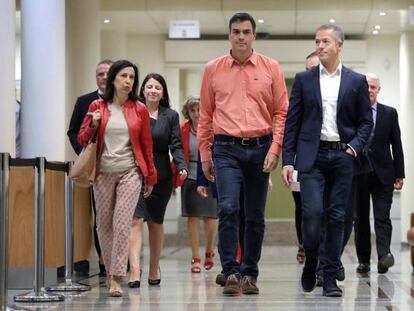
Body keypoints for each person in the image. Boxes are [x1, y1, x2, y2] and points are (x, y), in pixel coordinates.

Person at [198, 12, 288, 296]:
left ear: (254, 36)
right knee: (228, 208)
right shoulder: (212, 69)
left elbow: (281, 112)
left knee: (255, 215)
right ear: (229, 35)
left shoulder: (271, 67)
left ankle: (250, 272)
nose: (240, 37)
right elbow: (205, 115)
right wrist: (205, 156)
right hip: (225, 149)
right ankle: (231, 271)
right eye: (235, 31)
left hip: (261, 147)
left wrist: (275, 148)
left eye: (246, 32)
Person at [282, 24, 373, 297]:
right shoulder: (304, 79)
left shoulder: (356, 81)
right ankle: (312, 257)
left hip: (343, 156)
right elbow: (292, 123)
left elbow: (366, 123)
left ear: (339, 46)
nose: (320, 46)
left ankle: (330, 276)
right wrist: (288, 160)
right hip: (313, 157)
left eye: (325, 42)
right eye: (317, 41)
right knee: (311, 214)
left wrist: (353, 149)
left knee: (336, 218)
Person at [77, 60, 157, 297]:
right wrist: (93, 123)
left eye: (132, 77)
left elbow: (146, 145)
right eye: (123, 76)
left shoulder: (139, 108)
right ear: (112, 79)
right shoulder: (97, 105)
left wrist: (150, 176)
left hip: (129, 172)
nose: (128, 81)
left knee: (122, 224)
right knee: (103, 224)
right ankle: (111, 270)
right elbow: (82, 139)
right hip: (102, 172)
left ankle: (116, 276)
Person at [129, 73, 187, 287]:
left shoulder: (170, 116)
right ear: (142, 90)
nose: (153, 90)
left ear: (163, 93)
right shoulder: (133, 111)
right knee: (135, 220)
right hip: (135, 173)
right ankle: (135, 269)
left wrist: (181, 166)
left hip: (161, 174)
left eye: (158, 87)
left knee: (155, 222)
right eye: (149, 86)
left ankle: (154, 266)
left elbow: (176, 145)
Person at [354, 73, 405, 274]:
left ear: (378, 90)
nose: (369, 90)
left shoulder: (389, 113)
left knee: (382, 216)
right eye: (366, 87)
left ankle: (384, 256)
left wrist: (399, 173)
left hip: (384, 173)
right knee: (361, 218)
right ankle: (364, 260)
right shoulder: (353, 113)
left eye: (373, 87)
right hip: (359, 173)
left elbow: (397, 145)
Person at [67, 59, 112, 276]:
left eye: (107, 74)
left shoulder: (125, 101)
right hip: (95, 169)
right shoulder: (84, 101)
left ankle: (121, 259)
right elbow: (73, 131)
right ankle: (104, 262)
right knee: (101, 216)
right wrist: (85, 155)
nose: (103, 77)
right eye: (100, 74)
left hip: (120, 165)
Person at [173, 96, 218, 274]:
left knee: (211, 217)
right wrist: (174, 180)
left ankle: (209, 251)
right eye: (193, 110)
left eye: (199, 109)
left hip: (210, 176)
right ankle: (195, 257)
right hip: (189, 177)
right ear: (188, 113)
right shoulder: (183, 130)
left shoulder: (213, 127)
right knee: (192, 218)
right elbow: (177, 153)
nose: (197, 113)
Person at [293, 51, 320, 265]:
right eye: (307, 69)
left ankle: (323, 254)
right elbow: (290, 125)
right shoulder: (300, 91)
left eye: (314, 69)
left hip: (328, 157)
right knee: (303, 206)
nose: (310, 73)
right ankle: (304, 244)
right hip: (301, 161)